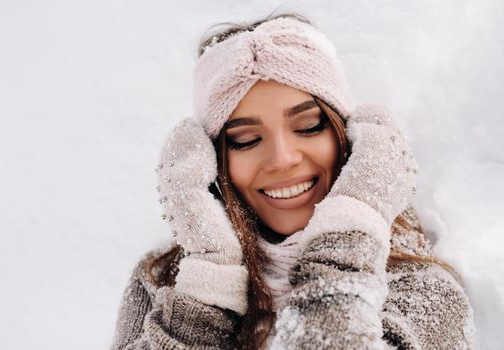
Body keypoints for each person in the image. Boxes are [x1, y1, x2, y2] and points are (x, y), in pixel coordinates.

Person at [110, 13, 475, 350]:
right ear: (212, 161)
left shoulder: (426, 290)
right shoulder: (160, 282)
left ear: (345, 137)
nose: (283, 159)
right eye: (246, 140)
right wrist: (207, 291)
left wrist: (351, 228)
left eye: (308, 127)